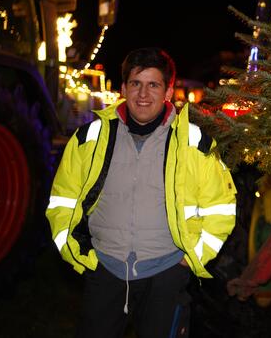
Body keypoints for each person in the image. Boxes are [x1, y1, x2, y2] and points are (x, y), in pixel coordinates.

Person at [46, 47, 237, 338]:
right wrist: (79, 254)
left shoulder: (194, 143)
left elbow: (221, 208)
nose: (143, 94)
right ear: (123, 88)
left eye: (153, 85)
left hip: (166, 275)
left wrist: (190, 259)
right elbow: (62, 201)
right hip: (105, 271)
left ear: (168, 91)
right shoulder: (89, 139)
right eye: (135, 83)